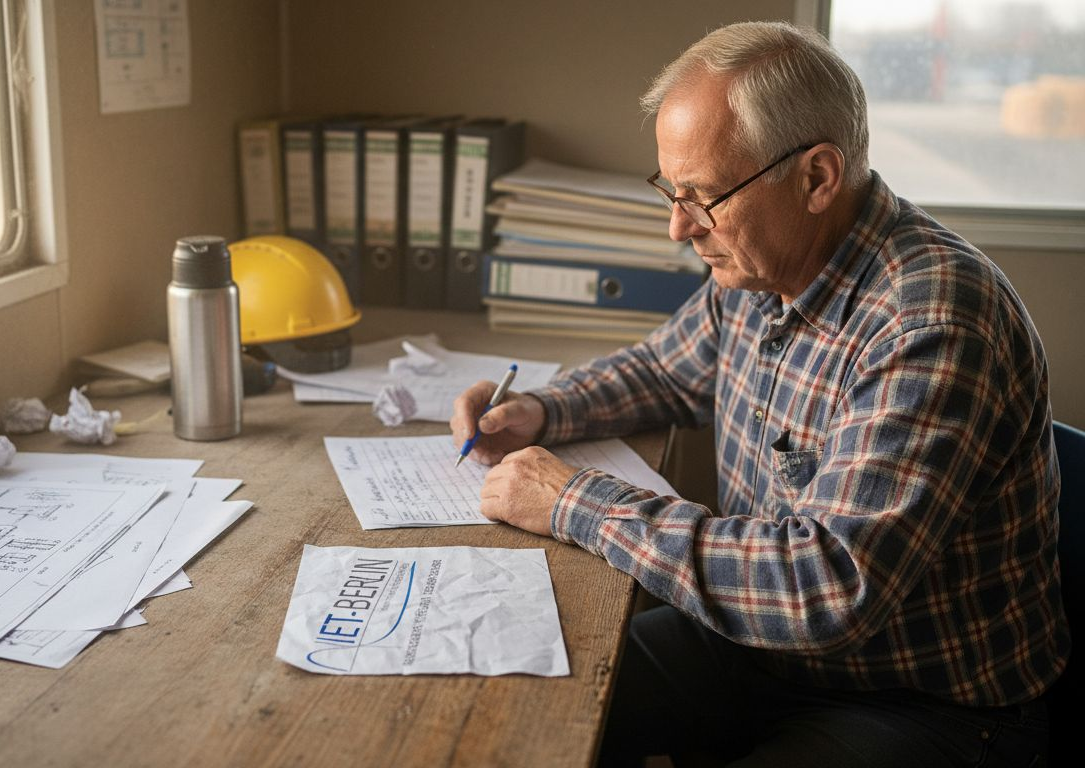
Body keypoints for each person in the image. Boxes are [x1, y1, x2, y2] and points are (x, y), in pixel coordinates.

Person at [451, 21, 1068, 767]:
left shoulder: (931, 320)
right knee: (522, 700)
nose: (679, 228)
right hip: (757, 650)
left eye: (702, 196)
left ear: (815, 178)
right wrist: (543, 410)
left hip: (923, 704)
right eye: (670, 192)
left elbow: (827, 586)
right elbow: (663, 370)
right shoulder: (756, 265)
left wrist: (571, 501)